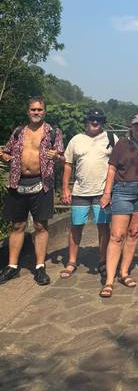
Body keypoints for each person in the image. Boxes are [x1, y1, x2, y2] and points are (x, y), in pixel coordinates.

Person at [0, 97, 64, 286]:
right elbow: (7, 152)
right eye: (33, 110)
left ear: (45, 111)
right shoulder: (19, 131)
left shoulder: (53, 133)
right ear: (28, 111)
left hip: (42, 184)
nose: (36, 113)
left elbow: (62, 158)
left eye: (40, 110)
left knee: (40, 226)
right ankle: (12, 266)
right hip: (17, 182)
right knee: (18, 225)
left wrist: (57, 156)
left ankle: (39, 266)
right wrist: (4, 156)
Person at [99, 114, 138, 298]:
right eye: (137, 126)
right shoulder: (122, 144)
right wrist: (107, 193)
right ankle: (109, 280)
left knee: (133, 233)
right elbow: (112, 168)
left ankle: (124, 272)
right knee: (117, 235)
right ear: (131, 127)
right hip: (123, 191)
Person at [60, 108, 117, 279]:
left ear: (102, 122)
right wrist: (65, 188)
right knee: (76, 227)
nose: (94, 122)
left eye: (98, 120)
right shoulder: (77, 140)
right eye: (92, 119)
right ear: (86, 121)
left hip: (102, 193)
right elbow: (68, 164)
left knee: (103, 228)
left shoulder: (111, 138)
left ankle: (102, 261)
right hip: (80, 191)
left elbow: (117, 164)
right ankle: (71, 261)